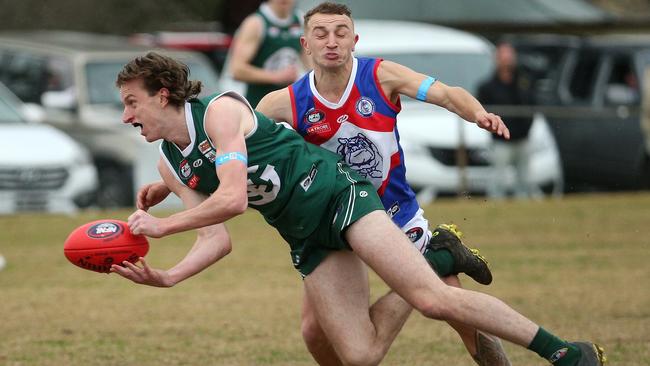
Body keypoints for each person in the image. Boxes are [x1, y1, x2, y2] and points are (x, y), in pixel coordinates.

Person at [113, 51, 605, 366]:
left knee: (435, 301)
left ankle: (564, 353)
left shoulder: (219, 112)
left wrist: (164, 225)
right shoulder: (169, 165)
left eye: (132, 102)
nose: (127, 115)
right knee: (362, 353)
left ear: (162, 95)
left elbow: (234, 199)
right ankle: (438, 256)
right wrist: (169, 277)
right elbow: (217, 238)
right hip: (305, 234)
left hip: (338, 195)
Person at [254, 2, 511, 364]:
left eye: (341, 33)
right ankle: (441, 257)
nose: (332, 41)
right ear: (305, 45)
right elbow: (232, 141)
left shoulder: (380, 76)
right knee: (314, 331)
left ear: (354, 40)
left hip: (393, 213)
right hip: (333, 222)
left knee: (451, 307)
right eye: (321, 34)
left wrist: (479, 114)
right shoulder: (284, 102)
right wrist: (172, 183)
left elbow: (447, 94)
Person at [478, 41, 536, 200]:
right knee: (498, 178)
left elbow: (532, 105)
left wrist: (527, 128)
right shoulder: (487, 86)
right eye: (503, 56)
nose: (506, 60)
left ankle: (524, 206)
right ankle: (495, 205)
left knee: (525, 178)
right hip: (500, 140)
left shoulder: (524, 82)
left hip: (523, 138)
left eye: (509, 56)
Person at [228, 0, 306, 107]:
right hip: (258, 107)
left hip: (289, 108)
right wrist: (276, 77)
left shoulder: (301, 20)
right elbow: (237, 70)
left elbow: (311, 66)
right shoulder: (255, 23)